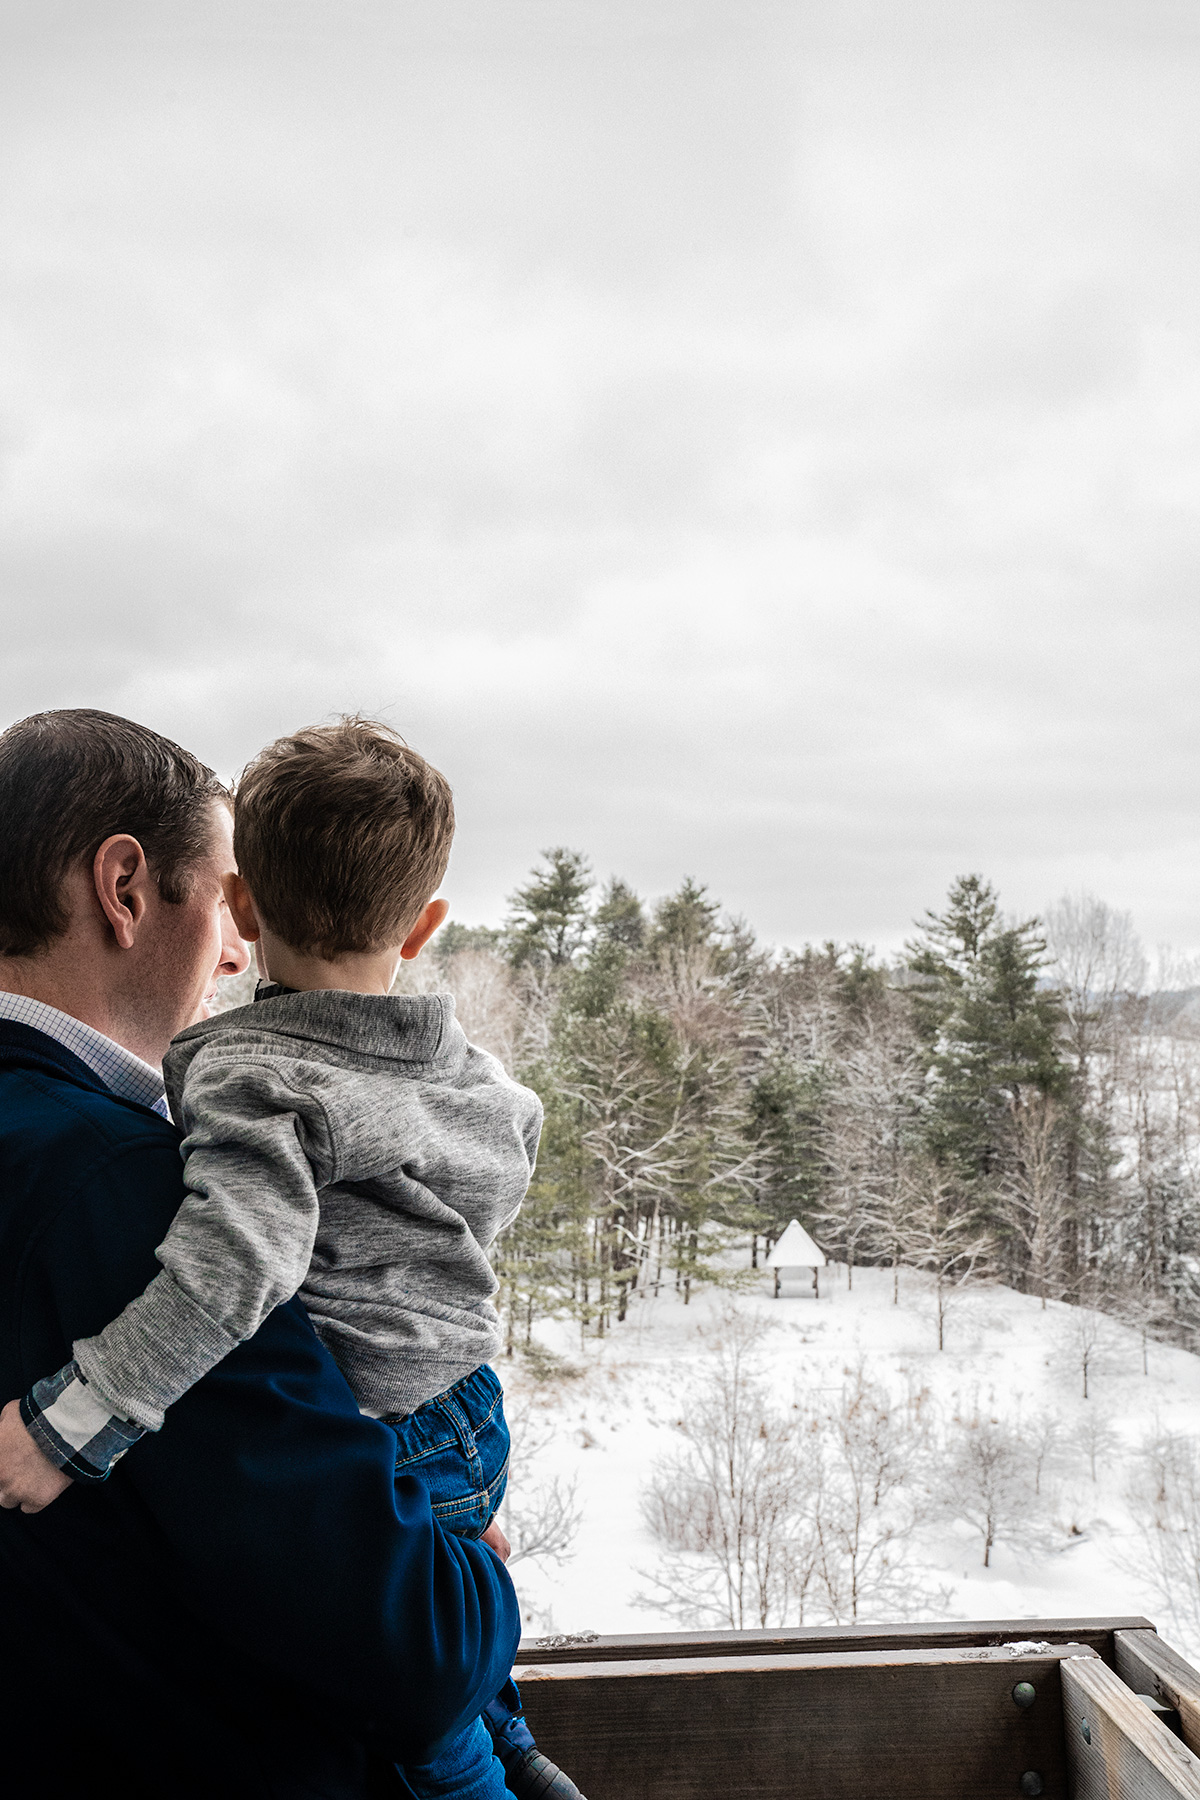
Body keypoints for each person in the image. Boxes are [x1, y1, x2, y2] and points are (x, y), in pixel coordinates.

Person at [0, 712, 583, 1800]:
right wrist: (485, 1584)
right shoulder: (127, 1187)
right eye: (224, 894)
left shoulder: (125, 1131)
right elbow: (423, 1650)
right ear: (125, 889)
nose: (232, 951)